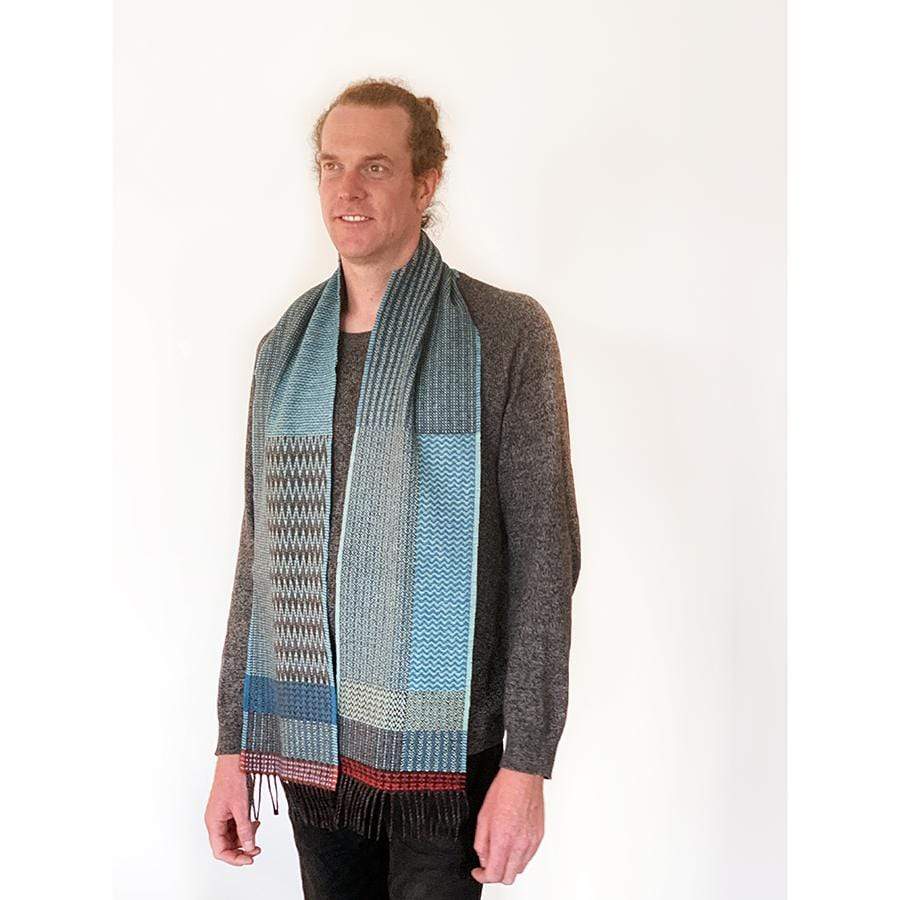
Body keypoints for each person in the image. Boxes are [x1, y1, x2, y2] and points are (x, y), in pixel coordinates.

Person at [204, 77, 581, 898]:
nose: (348, 189)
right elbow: (257, 558)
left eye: (374, 166)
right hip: (310, 738)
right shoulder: (284, 350)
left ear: (425, 182)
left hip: (446, 753)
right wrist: (233, 744)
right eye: (331, 165)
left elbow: (545, 564)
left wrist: (527, 764)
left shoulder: (504, 334)